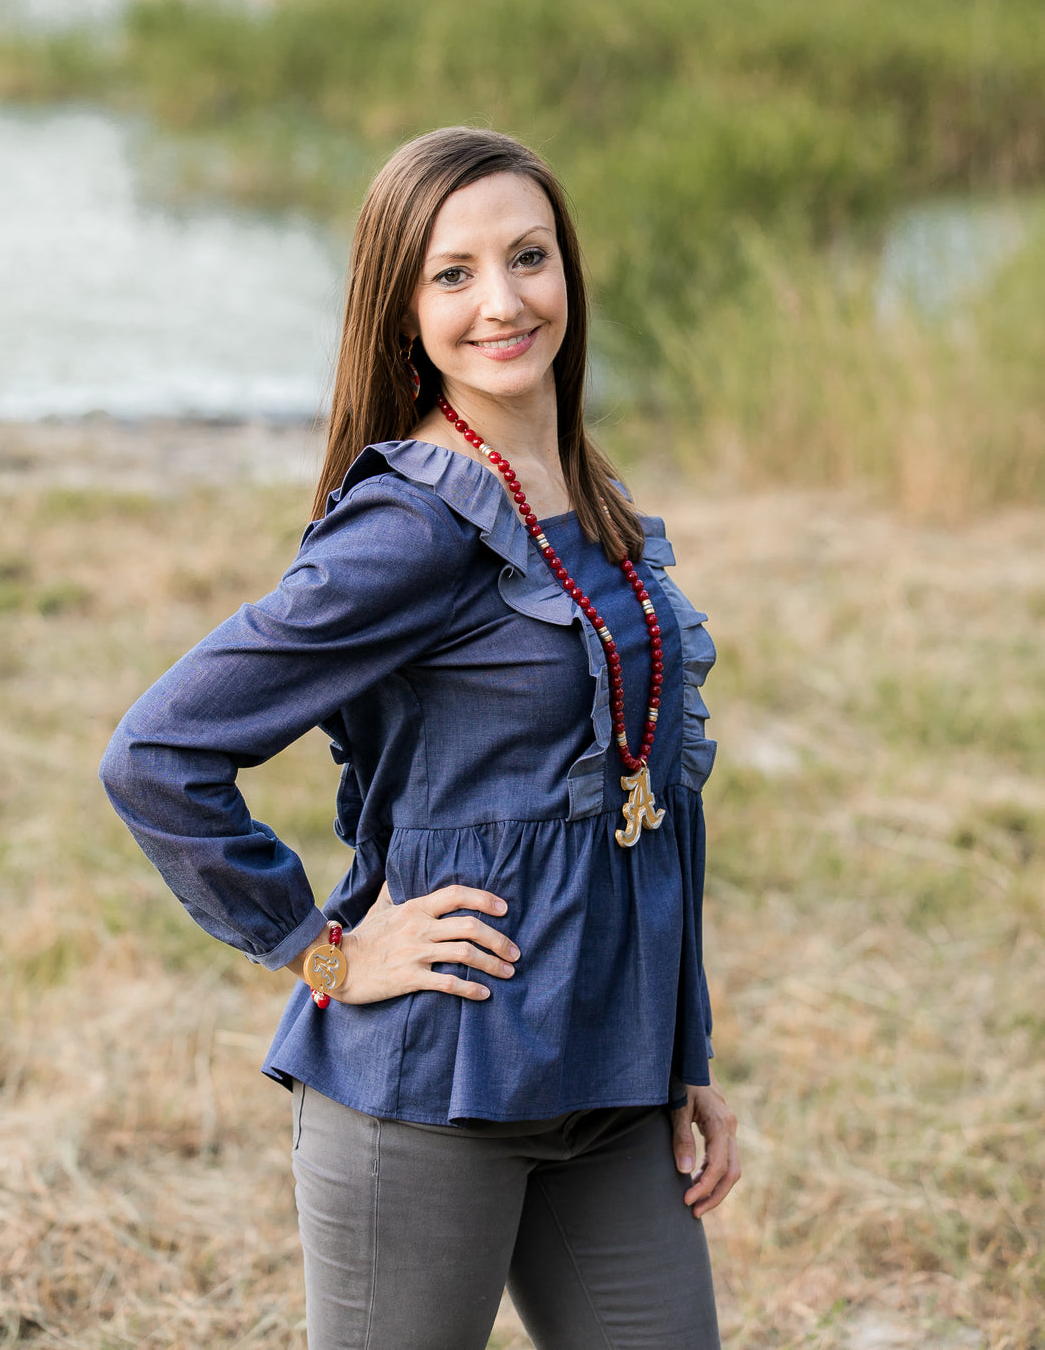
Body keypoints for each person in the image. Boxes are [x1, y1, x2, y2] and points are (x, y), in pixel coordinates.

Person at [100, 126, 740, 1350]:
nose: (503, 301)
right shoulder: (411, 525)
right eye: (453, 274)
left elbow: (648, 797)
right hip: (431, 1089)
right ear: (402, 310)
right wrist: (320, 952)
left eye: (528, 257)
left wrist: (682, 1052)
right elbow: (157, 754)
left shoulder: (583, 494)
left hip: (607, 1084)